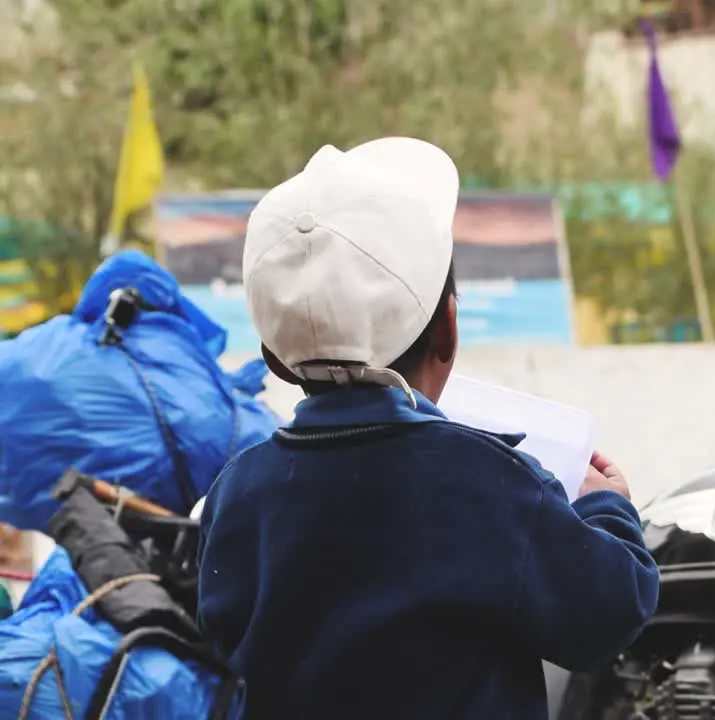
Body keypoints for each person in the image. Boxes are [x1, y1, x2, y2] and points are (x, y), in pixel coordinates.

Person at [196, 137, 659, 719]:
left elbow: (219, 637)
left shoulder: (238, 491)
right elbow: (607, 612)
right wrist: (607, 509)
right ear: (448, 330)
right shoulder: (491, 482)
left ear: (275, 358)